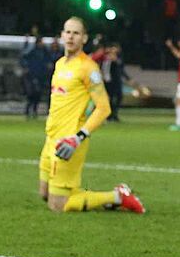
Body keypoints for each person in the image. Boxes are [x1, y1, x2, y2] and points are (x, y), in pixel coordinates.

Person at [37, 17, 145, 214]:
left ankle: (118, 197)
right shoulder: (60, 64)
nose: (71, 37)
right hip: (50, 137)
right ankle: (101, 197)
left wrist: (78, 137)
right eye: (67, 32)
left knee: (57, 206)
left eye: (76, 33)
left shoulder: (88, 67)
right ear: (62, 35)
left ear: (84, 38)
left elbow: (104, 108)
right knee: (44, 193)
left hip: (69, 140)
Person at [20, 32, 52, 119]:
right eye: (41, 42)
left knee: (38, 94)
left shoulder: (44, 51)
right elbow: (24, 58)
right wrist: (26, 68)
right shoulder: (32, 51)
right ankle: (28, 110)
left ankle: (34, 110)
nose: (42, 43)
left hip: (41, 75)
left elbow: (48, 59)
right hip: (32, 75)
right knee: (31, 93)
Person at [101, 43, 131, 122]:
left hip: (116, 81)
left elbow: (121, 69)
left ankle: (114, 114)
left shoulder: (118, 59)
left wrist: (128, 78)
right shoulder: (105, 59)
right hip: (108, 82)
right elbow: (103, 69)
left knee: (119, 97)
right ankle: (110, 115)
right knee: (110, 98)